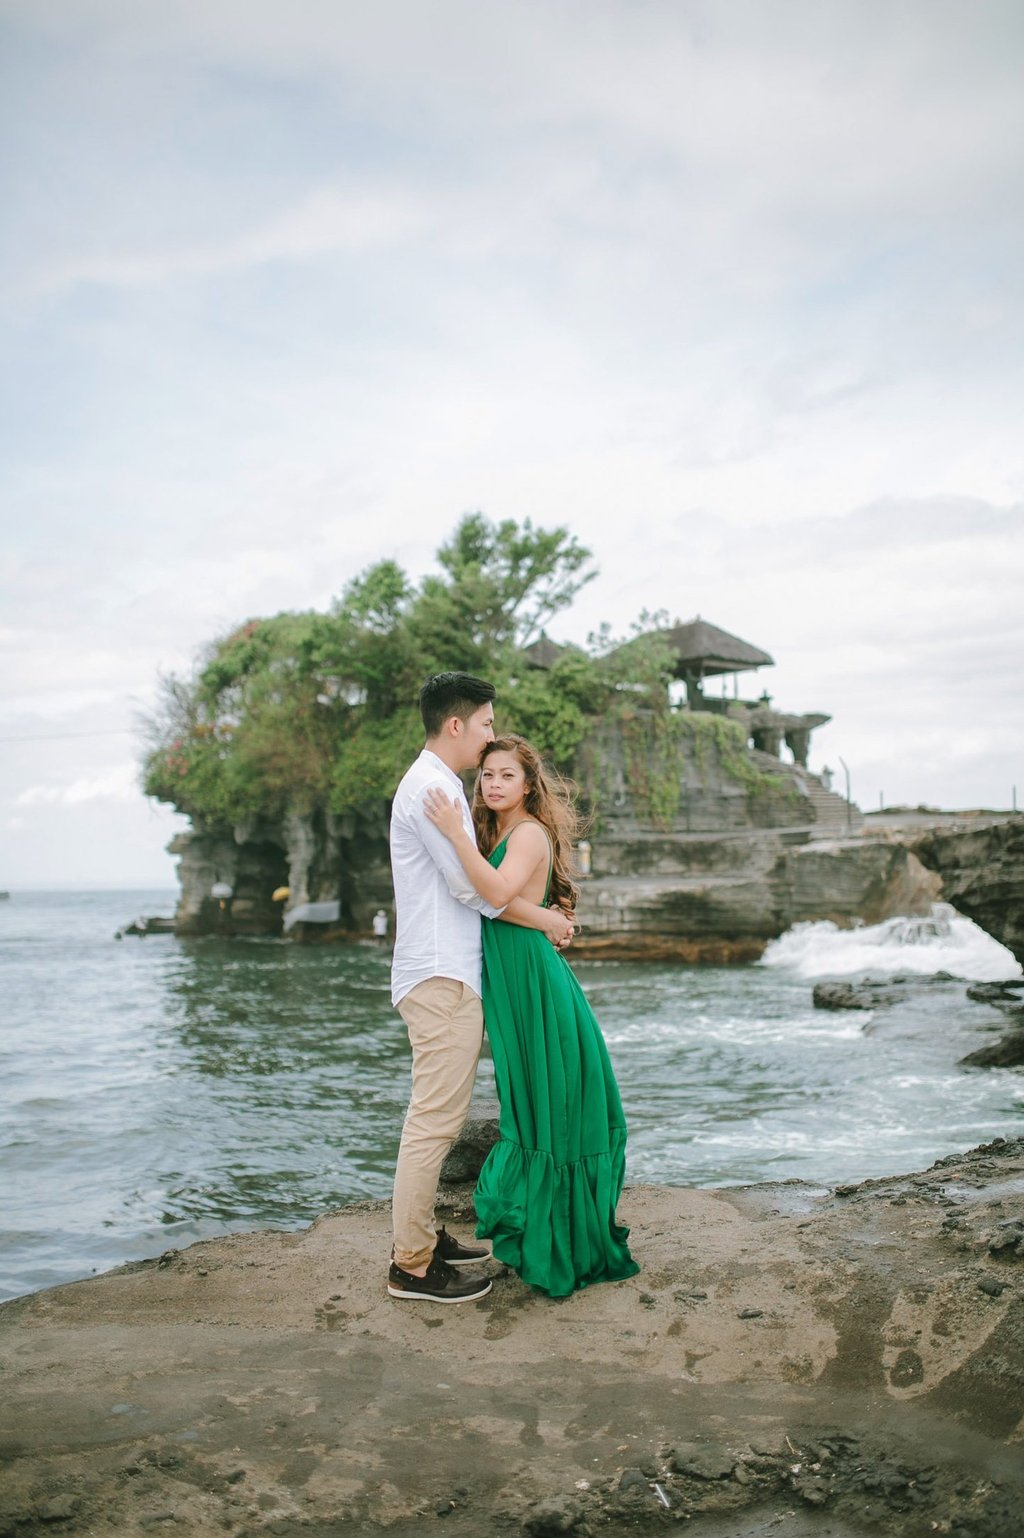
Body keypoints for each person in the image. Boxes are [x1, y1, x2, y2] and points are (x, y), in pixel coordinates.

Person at [424, 733, 639, 1298]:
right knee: (531, 1104)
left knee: (551, 1105)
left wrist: (453, 834)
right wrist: (548, 918)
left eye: (506, 776)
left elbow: (492, 890)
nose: (493, 784)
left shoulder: (528, 832)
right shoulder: (492, 831)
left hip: (534, 985)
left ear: (528, 785)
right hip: (512, 982)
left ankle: (561, 1243)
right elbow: (495, 902)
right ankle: (541, 1231)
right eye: (487, 775)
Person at [388, 674, 575, 1305]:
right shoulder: (434, 786)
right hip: (442, 974)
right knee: (434, 1123)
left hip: (444, 969)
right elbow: (473, 890)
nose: (492, 734)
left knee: (434, 1116)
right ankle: (412, 1266)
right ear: (457, 725)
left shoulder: (432, 783)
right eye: (487, 723)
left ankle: (423, 1240)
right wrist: (545, 916)